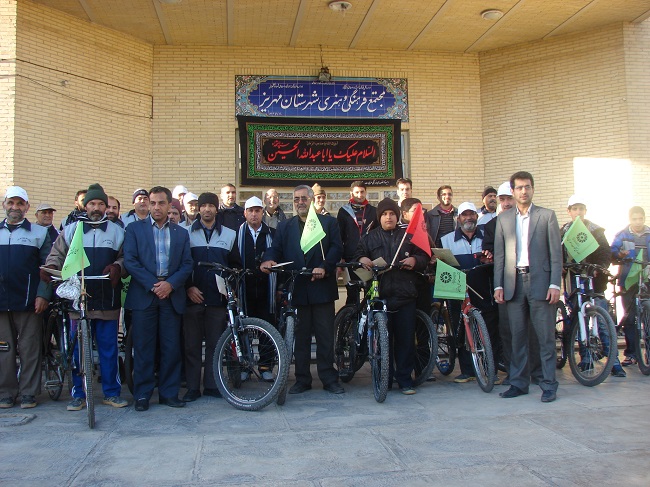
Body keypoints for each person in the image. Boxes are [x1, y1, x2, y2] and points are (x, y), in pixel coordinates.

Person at [42, 183, 129, 411]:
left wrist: (117, 267)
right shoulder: (71, 230)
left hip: (107, 300)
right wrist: (51, 268)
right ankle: (78, 394)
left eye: (101, 204)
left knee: (109, 349)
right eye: (92, 203)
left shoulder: (117, 232)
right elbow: (57, 254)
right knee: (78, 351)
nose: (96, 208)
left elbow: (126, 258)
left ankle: (111, 393)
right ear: (85, 206)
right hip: (78, 302)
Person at [261, 185, 344, 394]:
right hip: (297, 287)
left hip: (322, 287)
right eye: (296, 199)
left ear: (312, 200)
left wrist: (325, 267)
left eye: (304, 198)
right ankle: (302, 379)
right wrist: (268, 259)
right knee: (301, 337)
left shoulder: (328, 223)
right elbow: (275, 249)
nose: (300, 202)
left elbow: (336, 248)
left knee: (325, 336)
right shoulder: (284, 226)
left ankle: (329, 378)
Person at [494, 171, 562, 403]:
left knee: (545, 338)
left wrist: (555, 284)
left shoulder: (547, 216)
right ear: (512, 192)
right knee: (517, 337)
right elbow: (500, 257)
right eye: (519, 187)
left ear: (533, 189)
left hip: (540, 282)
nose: (524, 191)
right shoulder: (504, 219)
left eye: (527, 187)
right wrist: (498, 285)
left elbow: (556, 255)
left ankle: (548, 384)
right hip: (513, 284)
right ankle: (519, 383)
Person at [123, 186, 193, 411]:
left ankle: (169, 394)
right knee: (144, 348)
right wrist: (154, 285)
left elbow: (187, 264)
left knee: (171, 348)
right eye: (152, 203)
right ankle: (142, 395)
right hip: (145, 295)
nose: (156, 207)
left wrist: (170, 284)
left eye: (161, 203)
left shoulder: (181, 233)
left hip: (171, 295)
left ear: (169, 205)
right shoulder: (134, 229)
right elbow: (130, 261)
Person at [354, 198, 428, 395]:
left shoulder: (408, 236)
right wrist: (362, 258)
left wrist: (415, 260)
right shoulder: (369, 238)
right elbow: (357, 255)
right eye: (385, 214)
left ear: (397, 216)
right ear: (380, 217)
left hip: (405, 295)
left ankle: (405, 380)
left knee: (405, 341)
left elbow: (424, 256)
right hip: (380, 297)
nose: (389, 217)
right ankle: (384, 378)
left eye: (392, 214)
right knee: (382, 342)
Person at [182, 192, 240, 402]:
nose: (207, 209)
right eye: (203, 205)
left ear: (217, 209)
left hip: (217, 301)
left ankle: (212, 385)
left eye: (211, 206)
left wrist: (228, 289)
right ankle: (192, 387)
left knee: (215, 346)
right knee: (192, 346)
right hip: (193, 299)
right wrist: (188, 287)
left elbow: (235, 266)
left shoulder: (230, 235)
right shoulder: (185, 233)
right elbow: (180, 265)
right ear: (199, 209)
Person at [561, 195, 625, 377]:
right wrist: (561, 267)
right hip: (574, 282)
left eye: (581, 209)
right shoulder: (563, 231)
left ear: (586, 211)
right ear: (569, 211)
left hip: (594, 282)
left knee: (603, 321)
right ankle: (585, 358)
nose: (578, 212)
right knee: (578, 319)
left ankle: (614, 362)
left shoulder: (596, 230)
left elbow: (605, 252)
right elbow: (558, 252)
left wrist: (600, 267)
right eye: (575, 209)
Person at [0, 186, 52, 409]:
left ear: (27, 207)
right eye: (11, 203)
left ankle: (29, 393)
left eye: (20, 203)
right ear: (4, 205)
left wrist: (43, 295)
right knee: (4, 349)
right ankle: (6, 393)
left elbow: (48, 268)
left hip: (30, 301)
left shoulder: (39, 233)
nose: (15, 207)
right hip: (1, 302)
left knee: (30, 349)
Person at [441, 202, 498, 384]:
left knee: (489, 330)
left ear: (476, 216)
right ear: (459, 218)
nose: (468, 218)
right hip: (457, 289)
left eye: (471, 214)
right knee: (461, 330)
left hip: (483, 289)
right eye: (464, 215)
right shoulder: (446, 239)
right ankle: (467, 371)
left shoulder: (487, 236)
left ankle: (490, 370)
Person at [238, 196, 277, 382]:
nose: (254, 214)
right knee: (242, 329)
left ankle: (265, 366)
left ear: (262, 212)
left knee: (267, 329)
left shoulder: (273, 234)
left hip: (266, 289)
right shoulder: (236, 235)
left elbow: (277, 257)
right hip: (243, 289)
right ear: (245, 213)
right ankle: (245, 365)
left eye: (257, 210)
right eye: (251, 211)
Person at [482, 181, 517, 386]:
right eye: (502, 199)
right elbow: (488, 250)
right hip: (502, 284)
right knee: (505, 330)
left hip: (525, 282)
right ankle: (511, 371)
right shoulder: (491, 226)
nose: (505, 203)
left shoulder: (525, 222)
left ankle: (533, 370)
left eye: (508, 199)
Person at [611, 206, 650, 367]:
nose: (638, 222)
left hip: (647, 280)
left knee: (648, 316)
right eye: (635, 219)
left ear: (644, 219)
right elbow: (612, 251)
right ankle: (631, 354)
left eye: (640, 219)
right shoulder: (622, 235)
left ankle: (648, 353)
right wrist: (619, 254)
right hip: (628, 281)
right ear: (630, 219)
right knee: (629, 318)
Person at [337, 180, 377, 303]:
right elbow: (339, 235)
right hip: (350, 258)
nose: (360, 195)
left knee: (371, 293)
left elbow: (378, 234)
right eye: (357, 192)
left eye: (362, 192)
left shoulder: (373, 211)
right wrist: (341, 257)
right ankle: (351, 315)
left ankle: (369, 314)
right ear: (351, 193)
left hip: (369, 258)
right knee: (352, 294)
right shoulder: (344, 211)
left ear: (366, 192)